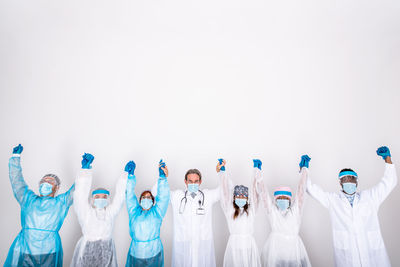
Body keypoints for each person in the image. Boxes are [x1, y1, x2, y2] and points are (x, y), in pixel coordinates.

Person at [306, 146, 397, 267]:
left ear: (357, 181)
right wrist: (304, 169)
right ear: (340, 183)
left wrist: (388, 159)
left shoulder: (370, 198)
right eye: (345, 179)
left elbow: (389, 182)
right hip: (347, 258)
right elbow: (311, 189)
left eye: (351, 178)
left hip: (372, 256)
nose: (349, 182)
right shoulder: (333, 200)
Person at [5, 144, 75, 267]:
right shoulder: (28, 199)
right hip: (25, 248)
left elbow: (76, 191)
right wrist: (15, 158)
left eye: (50, 181)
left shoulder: (61, 203)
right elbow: (17, 182)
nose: (45, 183)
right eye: (43, 181)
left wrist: (85, 171)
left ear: (57, 187)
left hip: (49, 251)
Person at [70, 153, 128, 267]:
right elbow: (80, 196)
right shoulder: (86, 212)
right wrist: (85, 171)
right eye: (97, 197)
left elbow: (120, 198)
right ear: (92, 200)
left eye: (104, 197)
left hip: (107, 251)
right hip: (87, 251)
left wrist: (125, 177)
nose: (101, 199)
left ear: (108, 200)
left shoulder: (110, 213)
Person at [260, 155, 312, 267]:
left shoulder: (295, 211)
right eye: (280, 198)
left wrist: (304, 171)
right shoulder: (272, 212)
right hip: (276, 251)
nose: (282, 200)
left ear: (290, 200)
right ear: (275, 200)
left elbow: (301, 192)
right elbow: (264, 195)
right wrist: (258, 175)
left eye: (285, 198)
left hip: (294, 251)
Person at [167, 164, 221, 267]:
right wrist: (162, 177)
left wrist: (221, 173)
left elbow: (224, 191)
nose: (193, 184)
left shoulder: (207, 196)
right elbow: (157, 193)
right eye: (190, 181)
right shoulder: (177, 196)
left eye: (196, 181)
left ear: (200, 182)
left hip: (202, 243)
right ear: (185, 182)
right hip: (183, 243)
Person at [217, 159, 262, 267]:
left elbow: (254, 191)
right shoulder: (230, 210)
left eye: (243, 196)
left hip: (248, 245)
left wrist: (256, 171)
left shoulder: (251, 211)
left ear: (247, 199)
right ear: (234, 198)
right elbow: (224, 192)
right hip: (234, 245)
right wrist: (222, 172)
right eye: (238, 196)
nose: (241, 198)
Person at [125, 159, 170, 267]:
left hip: (154, 252)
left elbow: (163, 197)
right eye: (144, 197)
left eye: (149, 197)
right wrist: (130, 177)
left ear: (153, 201)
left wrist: (162, 178)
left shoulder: (157, 212)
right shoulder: (134, 212)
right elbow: (129, 195)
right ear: (139, 201)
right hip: (136, 252)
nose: (146, 199)